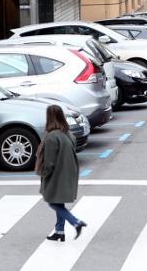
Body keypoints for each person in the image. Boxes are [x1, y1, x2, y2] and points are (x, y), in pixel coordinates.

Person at [36, 104, 86, 242]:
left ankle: (75, 222)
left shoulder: (52, 137)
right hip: (68, 173)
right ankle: (59, 231)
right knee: (59, 202)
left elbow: (49, 162)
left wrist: (43, 174)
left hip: (56, 175)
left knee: (53, 202)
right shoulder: (68, 134)